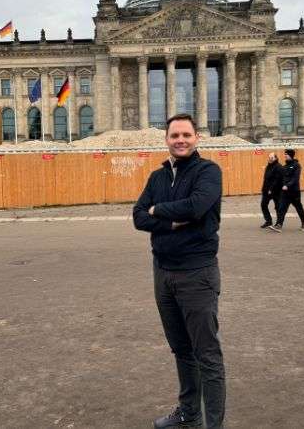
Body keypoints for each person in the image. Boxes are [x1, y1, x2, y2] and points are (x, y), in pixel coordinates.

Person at [132, 113, 225, 429]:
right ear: (167, 140)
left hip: (197, 274)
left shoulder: (208, 172)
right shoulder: (158, 177)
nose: (180, 140)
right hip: (164, 273)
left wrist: (157, 210)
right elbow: (138, 216)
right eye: (174, 135)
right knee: (181, 349)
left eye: (186, 134)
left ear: (197, 137)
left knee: (207, 356)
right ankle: (189, 414)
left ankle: (214, 425)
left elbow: (197, 207)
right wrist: (169, 218)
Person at [269, 148, 304, 232]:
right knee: (281, 208)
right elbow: (280, 178)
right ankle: (279, 225)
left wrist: (287, 185)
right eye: (285, 154)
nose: (285, 156)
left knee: (298, 208)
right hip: (285, 192)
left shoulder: (297, 165)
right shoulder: (284, 166)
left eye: (286, 154)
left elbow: (295, 178)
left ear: (291, 155)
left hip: (294, 192)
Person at [260, 152, 283, 228]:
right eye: (269, 157)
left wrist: (271, 189)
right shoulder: (268, 166)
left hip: (276, 191)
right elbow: (266, 179)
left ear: (275, 158)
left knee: (278, 207)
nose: (270, 159)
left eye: (272, 158)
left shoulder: (279, 167)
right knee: (263, 205)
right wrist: (264, 189)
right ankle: (268, 221)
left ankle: (278, 223)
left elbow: (277, 180)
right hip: (266, 190)